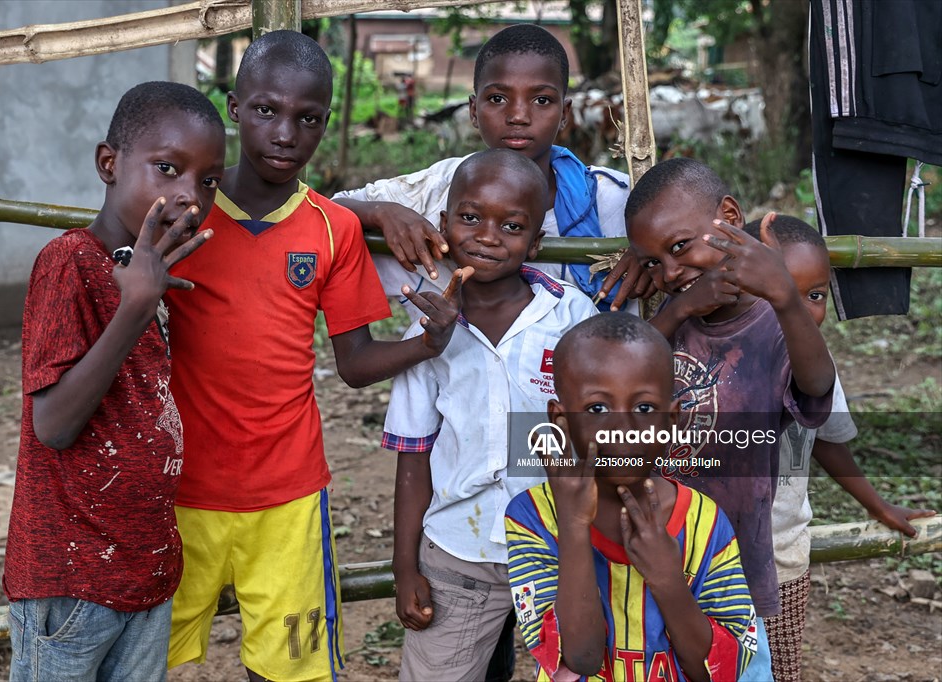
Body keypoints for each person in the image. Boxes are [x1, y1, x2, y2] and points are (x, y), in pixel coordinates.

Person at [163, 31, 463, 682]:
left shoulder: (333, 228)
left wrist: (427, 342)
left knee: (288, 669)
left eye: (308, 118)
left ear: (325, 123)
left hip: (288, 494)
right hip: (178, 488)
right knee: (147, 660)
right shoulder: (184, 215)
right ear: (234, 108)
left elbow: (353, 364)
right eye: (267, 110)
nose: (285, 133)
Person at [3, 81, 225, 682]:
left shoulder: (151, 276)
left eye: (208, 180)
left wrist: (146, 296)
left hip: (144, 572)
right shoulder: (70, 262)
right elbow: (53, 425)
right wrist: (135, 309)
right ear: (109, 163)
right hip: (70, 579)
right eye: (167, 168)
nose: (190, 195)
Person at [382, 148, 599, 681]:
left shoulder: (571, 316)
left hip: (563, 547)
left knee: (585, 666)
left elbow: (601, 432)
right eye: (471, 217)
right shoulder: (426, 332)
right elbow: (413, 456)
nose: (487, 236)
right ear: (443, 225)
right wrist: (405, 567)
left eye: (512, 226)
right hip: (459, 551)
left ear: (536, 242)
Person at [624, 157, 837, 681]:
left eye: (680, 248)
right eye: (652, 263)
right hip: (648, 549)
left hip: (731, 565)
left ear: (730, 217)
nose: (670, 273)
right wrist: (676, 310)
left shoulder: (774, 324)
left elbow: (816, 389)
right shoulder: (664, 322)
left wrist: (785, 297)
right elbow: (623, 374)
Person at [334, 23, 654, 320]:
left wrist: (650, 255)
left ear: (564, 114)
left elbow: (681, 243)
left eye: (542, 100)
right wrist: (382, 212)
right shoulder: (437, 188)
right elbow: (328, 211)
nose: (518, 116)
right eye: (498, 98)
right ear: (474, 111)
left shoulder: (615, 199)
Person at [506, 312, 757, 681]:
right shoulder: (533, 517)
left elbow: (718, 670)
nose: (623, 429)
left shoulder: (704, 522)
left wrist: (668, 580)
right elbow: (581, 658)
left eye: (644, 408)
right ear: (561, 420)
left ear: (672, 419)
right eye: (597, 409)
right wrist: (573, 527)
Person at [742, 215, 937, 682]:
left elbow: (826, 441)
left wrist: (877, 504)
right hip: (711, 554)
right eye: (777, 292)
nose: (798, 309)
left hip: (782, 555)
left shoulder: (816, 364)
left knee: (778, 671)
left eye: (814, 296)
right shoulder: (720, 355)